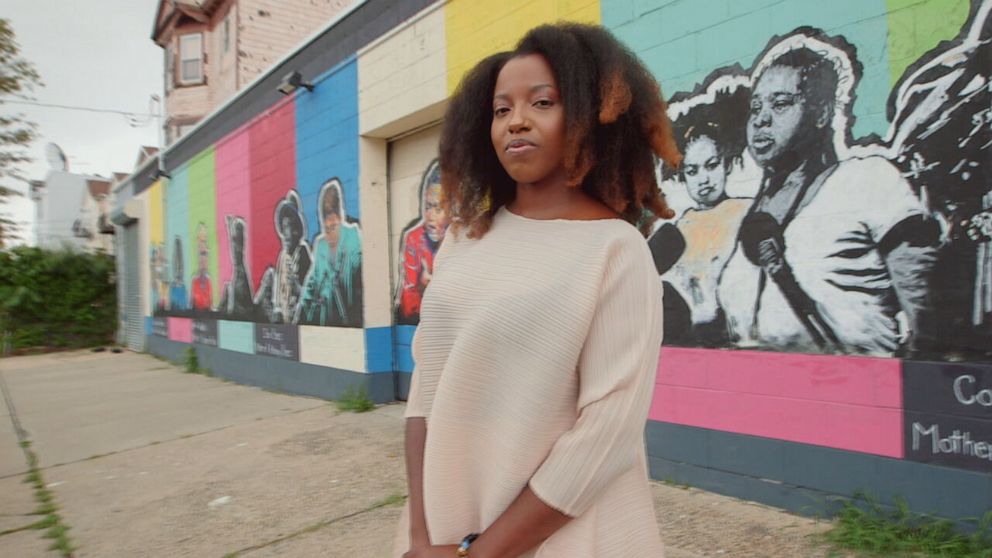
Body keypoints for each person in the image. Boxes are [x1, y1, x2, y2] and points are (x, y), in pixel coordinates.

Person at [396, 23, 681, 558]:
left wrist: (478, 554)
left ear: (594, 118)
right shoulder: (464, 238)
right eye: (501, 110)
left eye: (542, 102)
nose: (516, 121)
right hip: (444, 526)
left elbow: (607, 434)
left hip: (562, 534)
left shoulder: (614, 251)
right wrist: (420, 536)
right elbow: (426, 391)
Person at [717, 41, 938, 355]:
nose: (760, 120)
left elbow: (928, 318)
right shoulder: (751, 214)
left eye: (780, 104)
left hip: (858, 394)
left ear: (820, 113)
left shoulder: (868, 180)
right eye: (756, 107)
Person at [653, 87, 750, 344]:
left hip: (732, 333)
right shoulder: (679, 229)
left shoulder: (746, 212)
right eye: (692, 171)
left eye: (711, 165)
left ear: (727, 164)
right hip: (687, 337)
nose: (703, 179)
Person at [297, 179, 363, 327]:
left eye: (332, 227)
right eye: (325, 228)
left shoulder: (353, 239)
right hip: (326, 323)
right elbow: (311, 284)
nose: (329, 234)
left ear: (340, 218)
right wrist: (299, 318)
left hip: (351, 322)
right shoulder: (320, 245)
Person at [396, 160, 449, 324]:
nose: (430, 216)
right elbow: (407, 303)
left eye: (438, 209)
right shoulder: (414, 239)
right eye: (427, 207)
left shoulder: (464, 238)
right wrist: (422, 287)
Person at [190, 222, 213, 311]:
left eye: (204, 234)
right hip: (199, 280)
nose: (203, 235)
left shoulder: (208, 280)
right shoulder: (195, 280)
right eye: (201, 233)